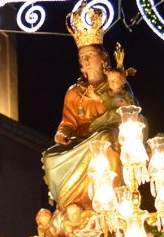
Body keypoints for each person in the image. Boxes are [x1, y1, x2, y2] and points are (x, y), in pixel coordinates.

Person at [42, 7, 137, 212]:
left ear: (102, 59)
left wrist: (104, 98)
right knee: (50, 158)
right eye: (81, 58)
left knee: (103, 140)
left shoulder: (116, 85)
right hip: (80, 141)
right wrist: (62, 133)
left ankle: (107, 201)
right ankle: (72, 208)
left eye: (89, 56)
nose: (85, 62)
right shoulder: (74, 92)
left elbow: (130, 114)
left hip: (109, 136)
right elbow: (68, 122)